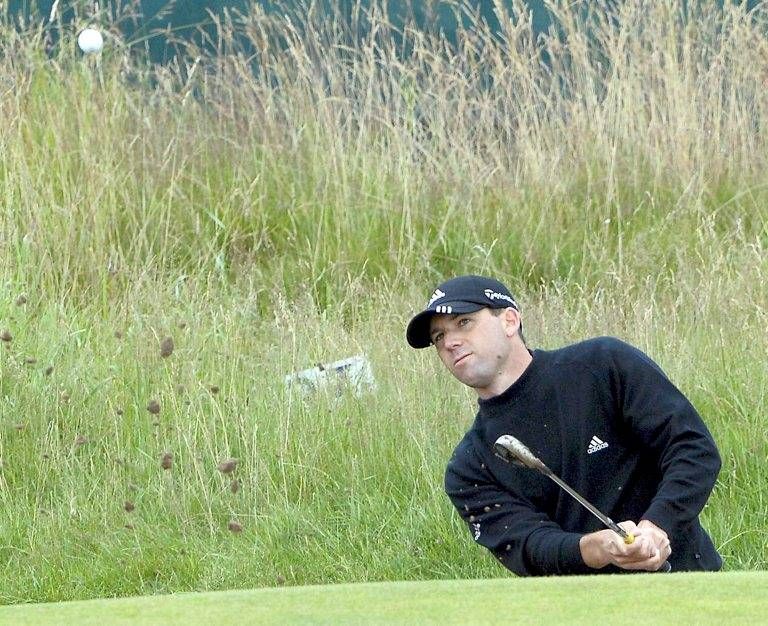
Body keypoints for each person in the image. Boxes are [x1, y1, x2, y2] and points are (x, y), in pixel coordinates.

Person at [406, 274, 722, 576]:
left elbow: (692, 449)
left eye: (464, 322)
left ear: (510, 321)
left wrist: (657, 527)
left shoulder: (603, 366)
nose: (450, 342)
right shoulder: (469, 467)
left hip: (688, 580)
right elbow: (527, 547)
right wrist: (601, 548)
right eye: (439, 337)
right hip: (580, 604)